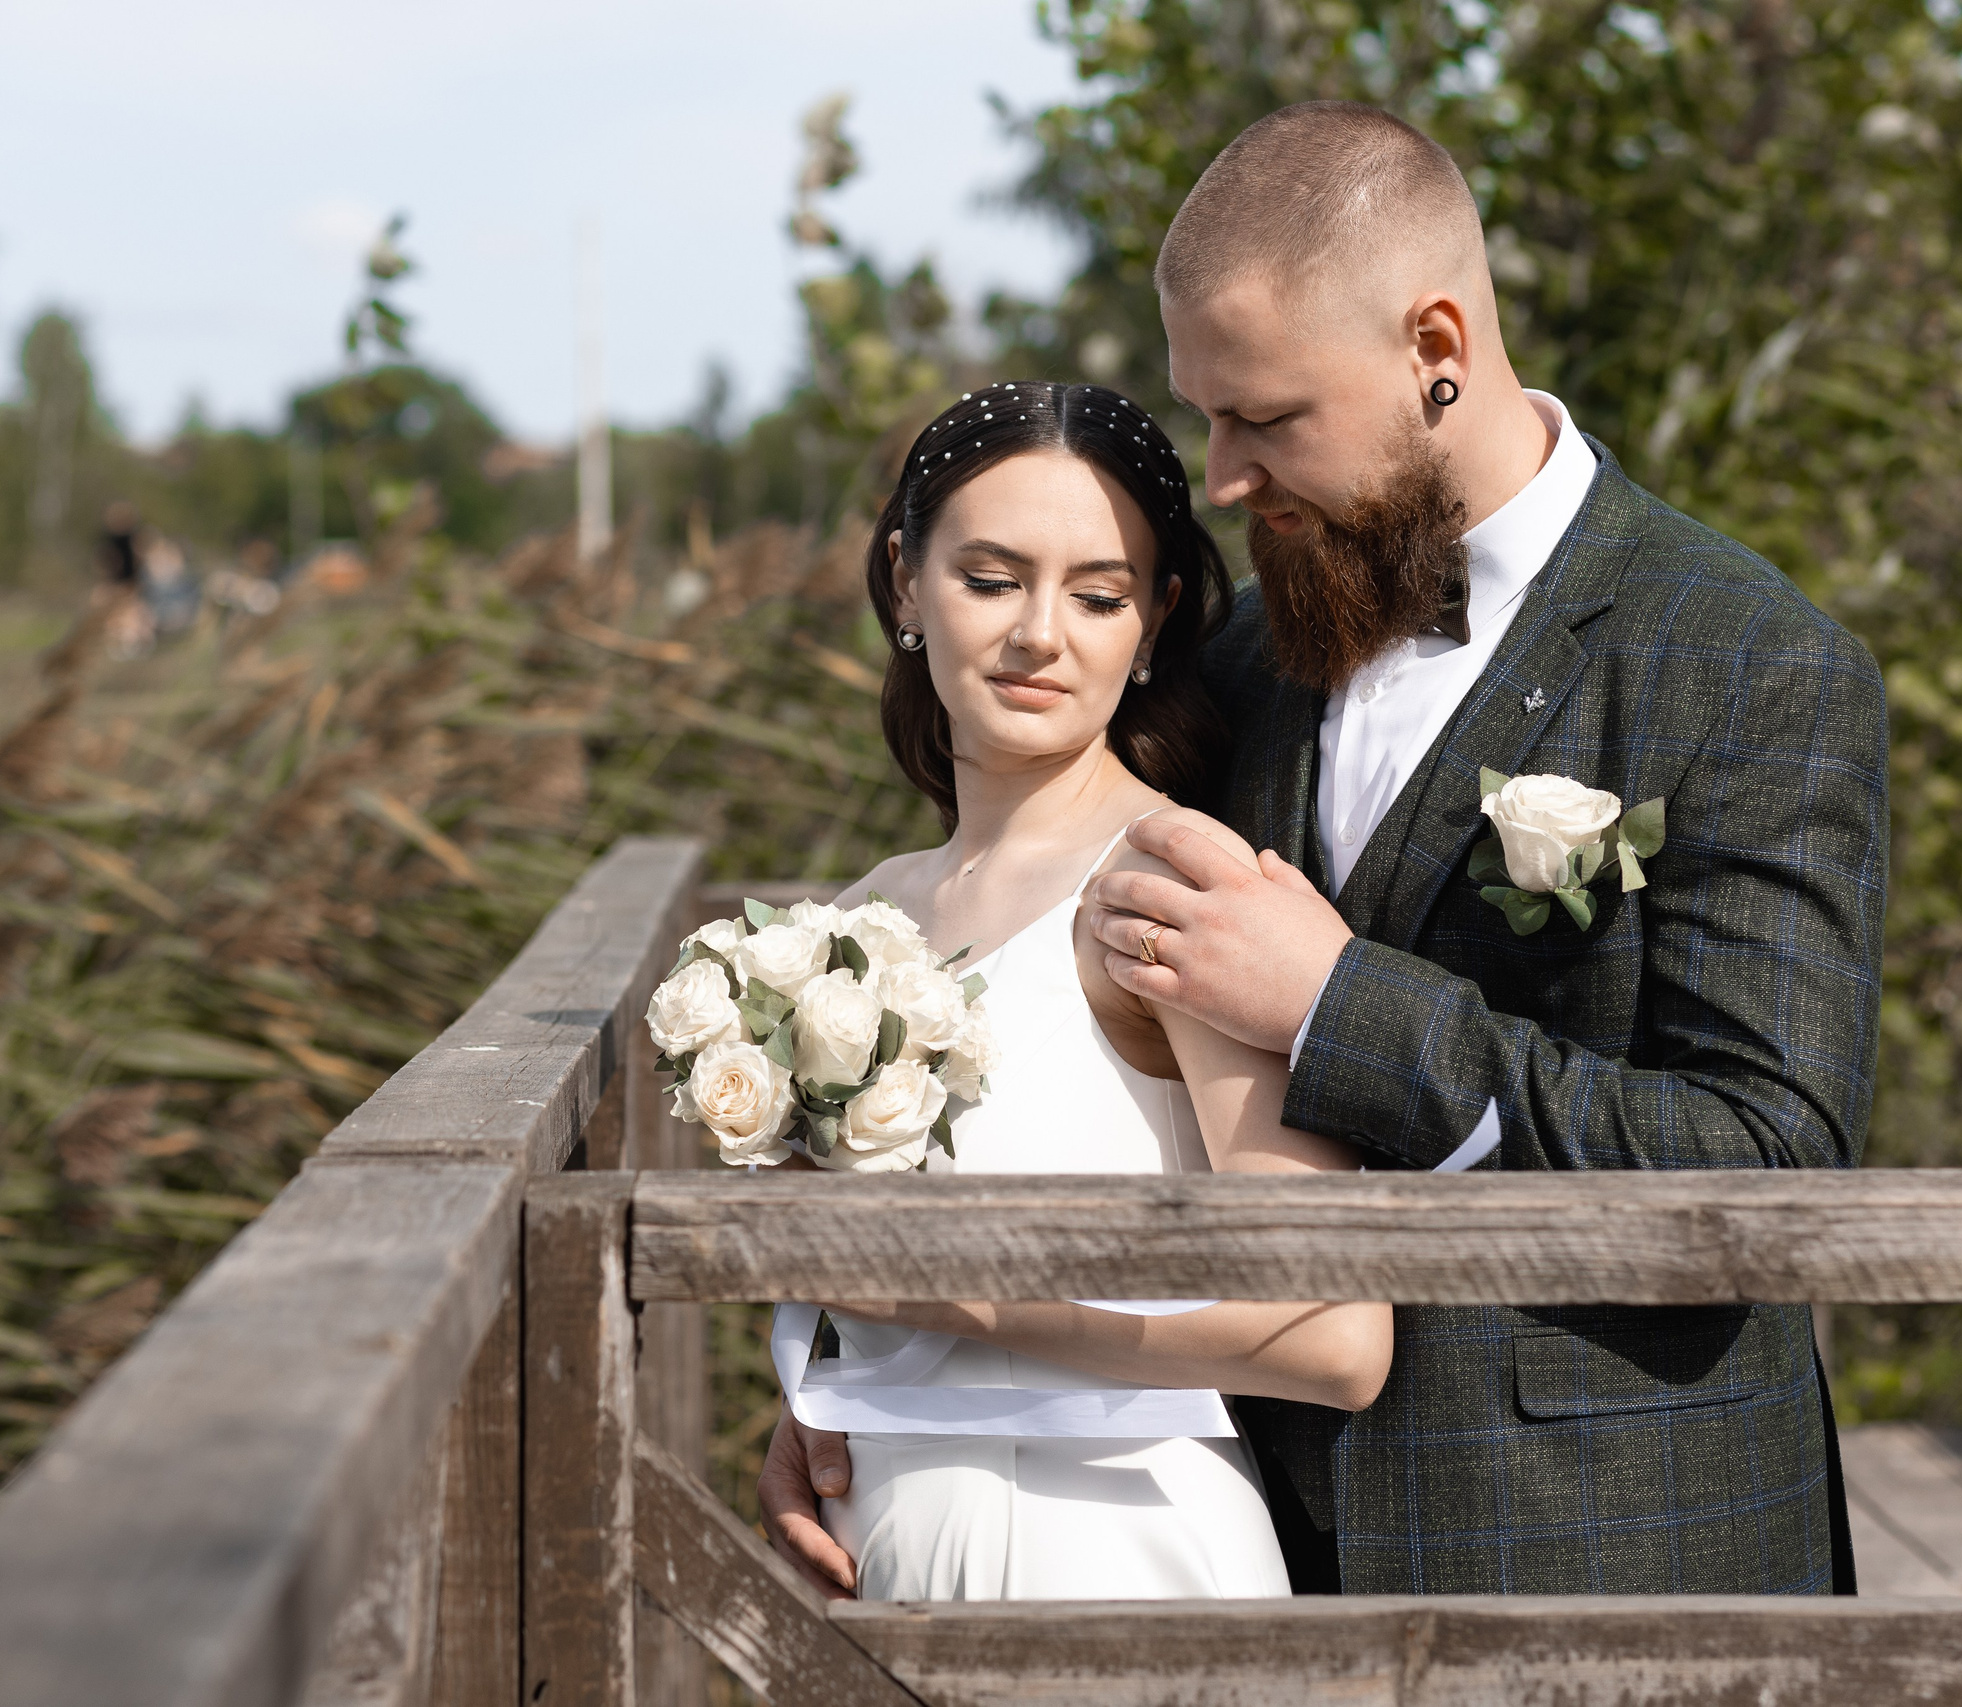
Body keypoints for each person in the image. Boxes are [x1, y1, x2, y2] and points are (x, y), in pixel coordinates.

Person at [769, 103, 1886, 1600]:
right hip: (1252, 1546)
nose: (1223, 472)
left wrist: (1338, 1001)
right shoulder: (1246, 656)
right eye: (1208, 412)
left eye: (1268, 416)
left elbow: (1768, 1165)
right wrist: (868, 1386)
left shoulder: (1748, 664)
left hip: (1613, 1549)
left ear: (1438, 344)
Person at [759, 380, 1392, 1602]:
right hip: (881, 1552)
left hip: (1114, 1546)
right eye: (990, 580)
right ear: (905, 582)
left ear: (1152, 622)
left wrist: (973, 1303)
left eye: (1096, 596)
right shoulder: (856, 916)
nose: (1038, 634)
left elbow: (1332, 1334)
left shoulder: (1172, 884)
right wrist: (824, 1389)